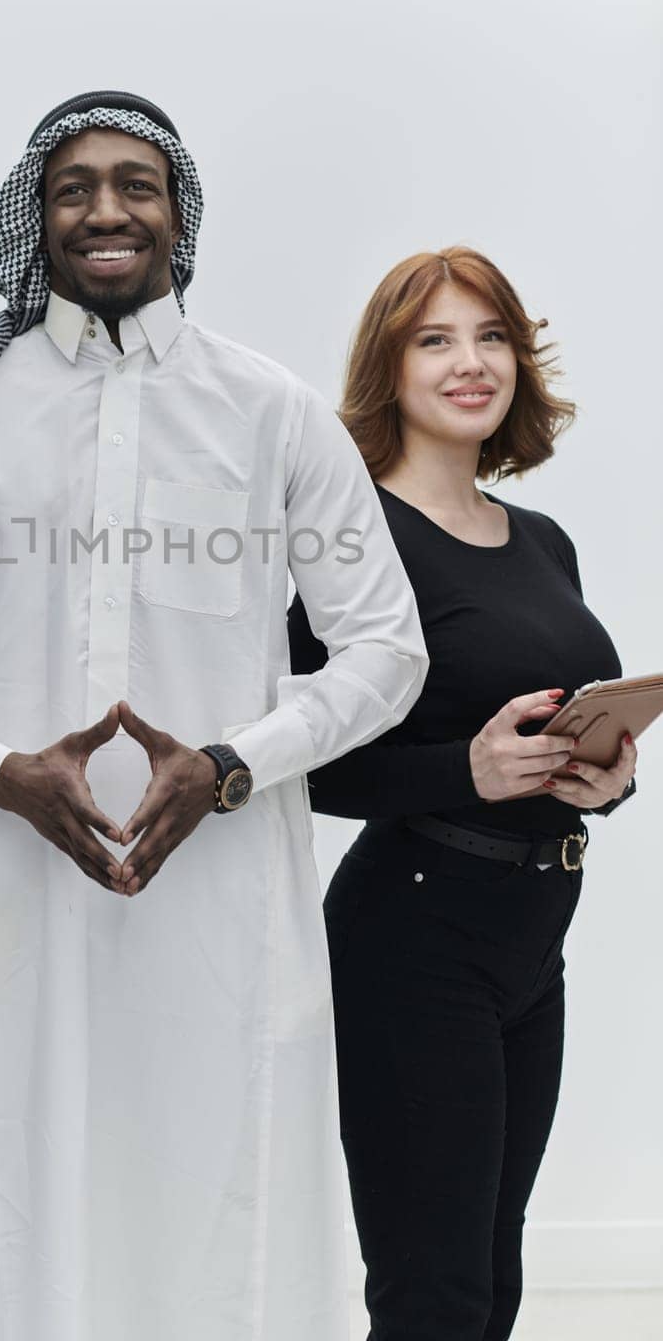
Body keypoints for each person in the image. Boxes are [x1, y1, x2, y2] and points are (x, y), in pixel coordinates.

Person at [0, 90, 429, 1341]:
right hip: (5, 892)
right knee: (8, 1215)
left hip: (220, 897)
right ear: (33, 218)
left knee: (219, 1206)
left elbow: (385, 647)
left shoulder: (270, 411)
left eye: (134, 185)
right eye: (73, 186)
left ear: (177, 215)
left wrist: (230, 763)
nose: (105, 210)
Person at [287, 247, 638, 1341]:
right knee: (430, 1291)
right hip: (414, 932)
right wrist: (464, 770)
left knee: (491, 1277)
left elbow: (548, 730)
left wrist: (604, 778)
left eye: (490, 336)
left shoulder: (542, 542)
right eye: (433, 339)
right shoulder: (351, 539)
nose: (469, 362)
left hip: (534, 934)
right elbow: (296, 756)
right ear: (386, 368)